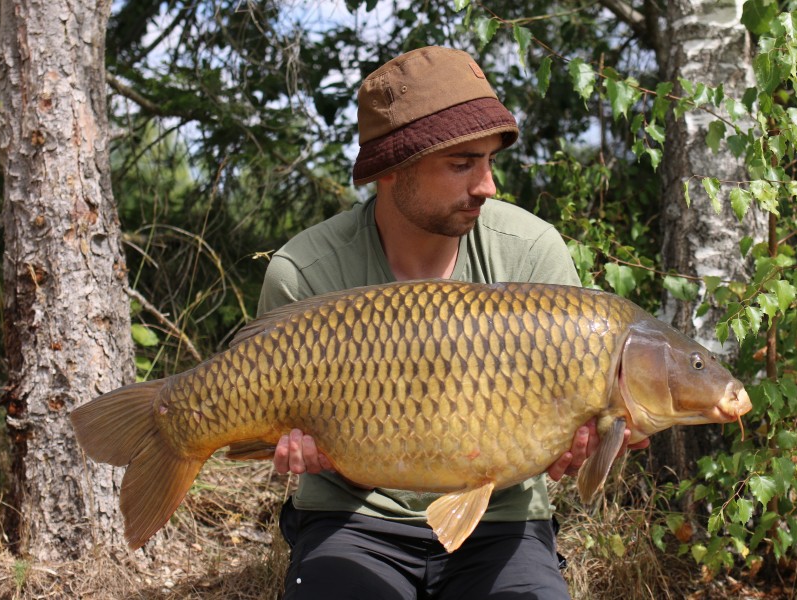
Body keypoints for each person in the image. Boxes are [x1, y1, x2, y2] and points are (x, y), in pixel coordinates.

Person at [258, 46, 646, 599]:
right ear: (391, 169)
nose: (486, 185)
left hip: (503, 521)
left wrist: (573, 446)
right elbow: (275, 434)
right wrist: (292, 445)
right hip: (353, 517)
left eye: (489, 161)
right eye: (462, 164)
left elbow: (570, 441)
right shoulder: (305, 272)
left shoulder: (532, 253)